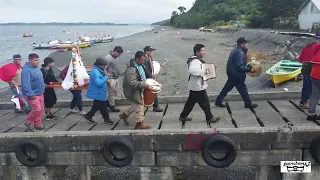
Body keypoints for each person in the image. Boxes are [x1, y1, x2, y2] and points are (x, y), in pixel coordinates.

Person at [179, 44, 220, 123]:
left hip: (195, 85)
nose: (204, 52)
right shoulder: (195, 61)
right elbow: (191, 70)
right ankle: (210, 117)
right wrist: (205, 72)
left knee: (190, 102)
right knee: (205, 103)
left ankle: (183, 116)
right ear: (197, 52)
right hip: (198, 86)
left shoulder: (196, 60)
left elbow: (201, 68)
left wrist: (211, 69)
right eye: (202, 51)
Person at [215, 37, 258, 108]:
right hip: (237, 75)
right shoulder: (239, 53)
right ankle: (248, 103)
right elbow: (239, 66)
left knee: (227, 88)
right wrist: (249, 69)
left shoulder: (236, 50)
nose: (247, 44)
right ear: (242, 44)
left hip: (232, 73)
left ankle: (218, 101)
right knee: (243, 89)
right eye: (246, 43)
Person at [119, 51, 152, 129]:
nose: (143, 62)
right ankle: (139, 123)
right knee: (140, 106)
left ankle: (124, 115)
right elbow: (132, 83)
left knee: (136, 106)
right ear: (137, 59)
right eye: (142, 60)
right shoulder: (131, 69)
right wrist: (145, 85)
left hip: (140, 88)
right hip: (133, 90)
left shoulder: (140, 64)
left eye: (144, 60)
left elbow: (144, 74)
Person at [21, 53, 46, 132]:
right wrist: (30, 94)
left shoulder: (36, 68)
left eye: (38, 60)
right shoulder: (26, 70)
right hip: (32, 94)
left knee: (41, 109)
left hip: (40, 92)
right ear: (30, 60)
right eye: (35, 60)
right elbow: (25, 84)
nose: (37, 62)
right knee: (37, 109)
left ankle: (37, 124)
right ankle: (29, 122)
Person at [85, 57, 113, 125]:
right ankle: (106, 119)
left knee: (98, 106)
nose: (104, 66)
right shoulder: (95, 73)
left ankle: (89, 116)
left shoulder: (99, 70)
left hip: (99, 92)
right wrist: (106, 77)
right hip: (98, 93)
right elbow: (98, 83)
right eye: (103, 65)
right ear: (99, 65)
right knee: (102, 106)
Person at [297, 39, 320, 109]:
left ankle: (303, 101)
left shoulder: (305, 48)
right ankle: (305, 102)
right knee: (310, 86)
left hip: (304, 68)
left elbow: (299, 59)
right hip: (311, 68)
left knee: (306, 86)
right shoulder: (316, 47)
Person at [143, 46, 163, 112]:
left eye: (151, 51)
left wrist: (158, 65)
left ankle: (154, 105)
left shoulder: (149, 57)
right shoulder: (145, 59)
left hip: (150, 77)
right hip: (148, 78)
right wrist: (152, 76)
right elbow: (146, 69)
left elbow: (152, 64)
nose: (151, 52)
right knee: (153, 90)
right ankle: (155, 106)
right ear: (146, 51)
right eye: (150, 51)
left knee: (153, 91)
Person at [105, 46, 123, 112]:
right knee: (111, 92)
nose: (119, 55)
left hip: (116, 77)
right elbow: (104, 68)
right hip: (110, 78)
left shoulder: (116, 57)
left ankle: (108, 102)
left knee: (116, 91)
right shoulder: (108, 58)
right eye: (118, 54)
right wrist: (107, 78)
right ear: (115, 51)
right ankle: (112, 106)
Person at [307, 35, 320, 120]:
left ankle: (311, 113)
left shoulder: (317, 47)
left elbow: (311, 50)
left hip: (314, 74)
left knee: (315, 94)